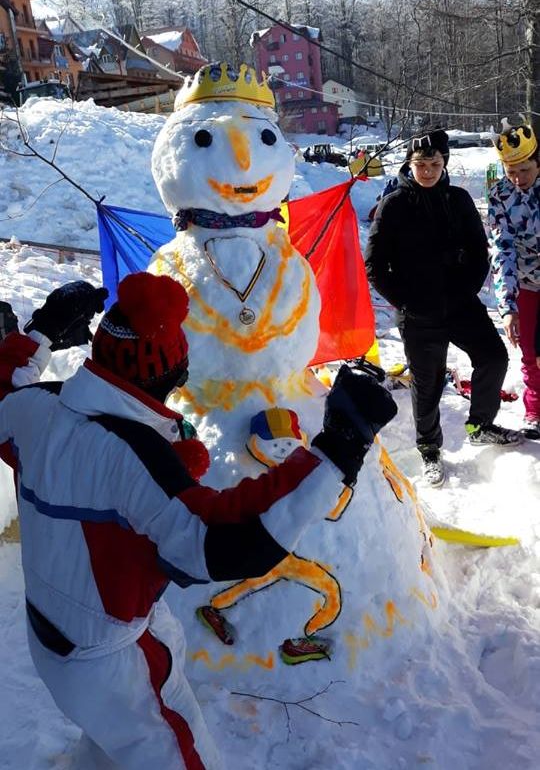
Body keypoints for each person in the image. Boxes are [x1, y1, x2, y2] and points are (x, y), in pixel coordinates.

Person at [0, 272, 397, 770]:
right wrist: (337, 449)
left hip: (49, 640)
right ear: (167, 375)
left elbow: (5, 387)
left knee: (107, 746)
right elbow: (228, 538)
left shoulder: (35, 408)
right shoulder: (135, 460)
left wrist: (41, 331)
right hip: (113, 664)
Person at [365, 128, 519, 488]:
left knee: (493, 358)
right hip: (418, 312)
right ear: (410, 164)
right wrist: (403, 300)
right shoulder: (394, 204)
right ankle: (429, 448)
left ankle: (480, 424)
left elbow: (480, 251)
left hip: (460, 303)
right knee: (428, 383)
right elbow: (375, 263)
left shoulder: (459, 199)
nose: (428, 171)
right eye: (421, 164)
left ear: (444, 162)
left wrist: (466, 289)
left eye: (434, 163)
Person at [488, 118, 540, 439]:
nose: (519, 178)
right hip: (527, 282)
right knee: (530, 348)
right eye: (512, 172)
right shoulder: (500, 197)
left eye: (525, 169)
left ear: (537, 162)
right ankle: (535, 408)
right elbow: (501, 249)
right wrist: (508, 306)